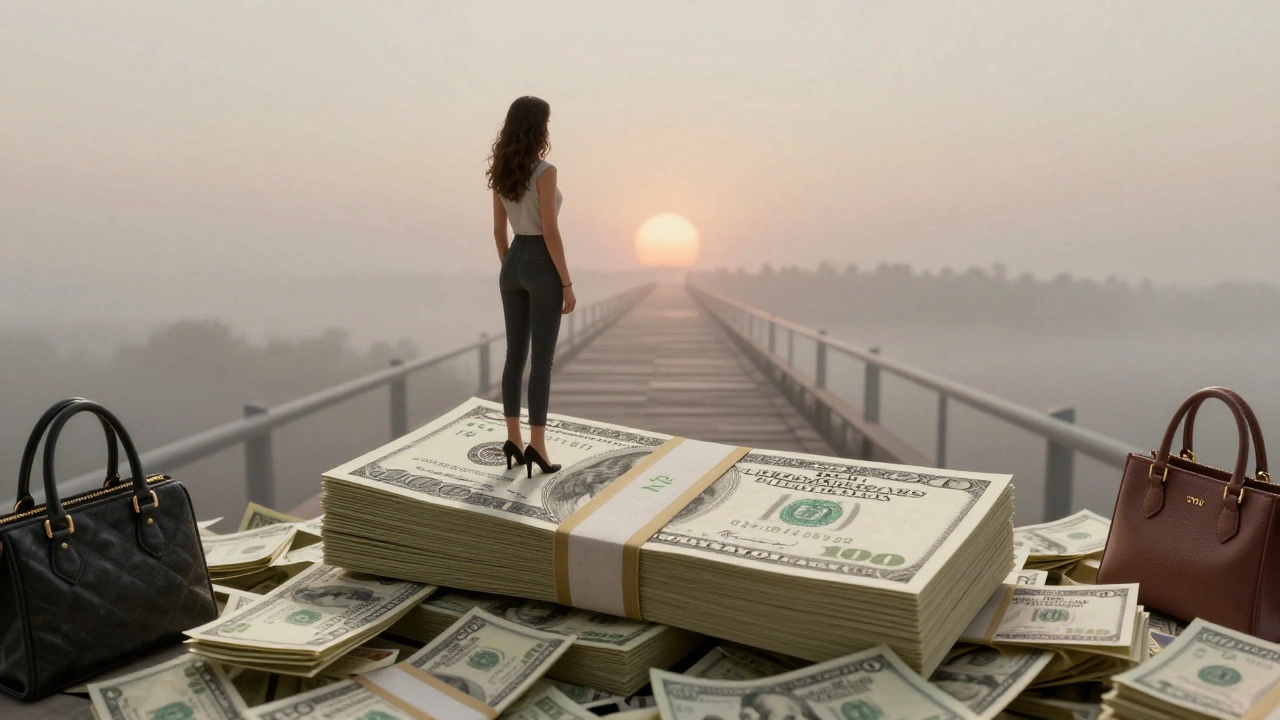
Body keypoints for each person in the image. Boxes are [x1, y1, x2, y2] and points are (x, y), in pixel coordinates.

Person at [486, 95, 577, 478]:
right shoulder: (545, 170)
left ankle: (513, 439)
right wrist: (566, 283)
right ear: (539, 127)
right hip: (541, 261)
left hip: (512, 263)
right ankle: (537, 446)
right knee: (541, 361)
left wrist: (513, 268)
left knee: (514, 357)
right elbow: (551, 232)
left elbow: (498, 231)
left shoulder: (501, 170)